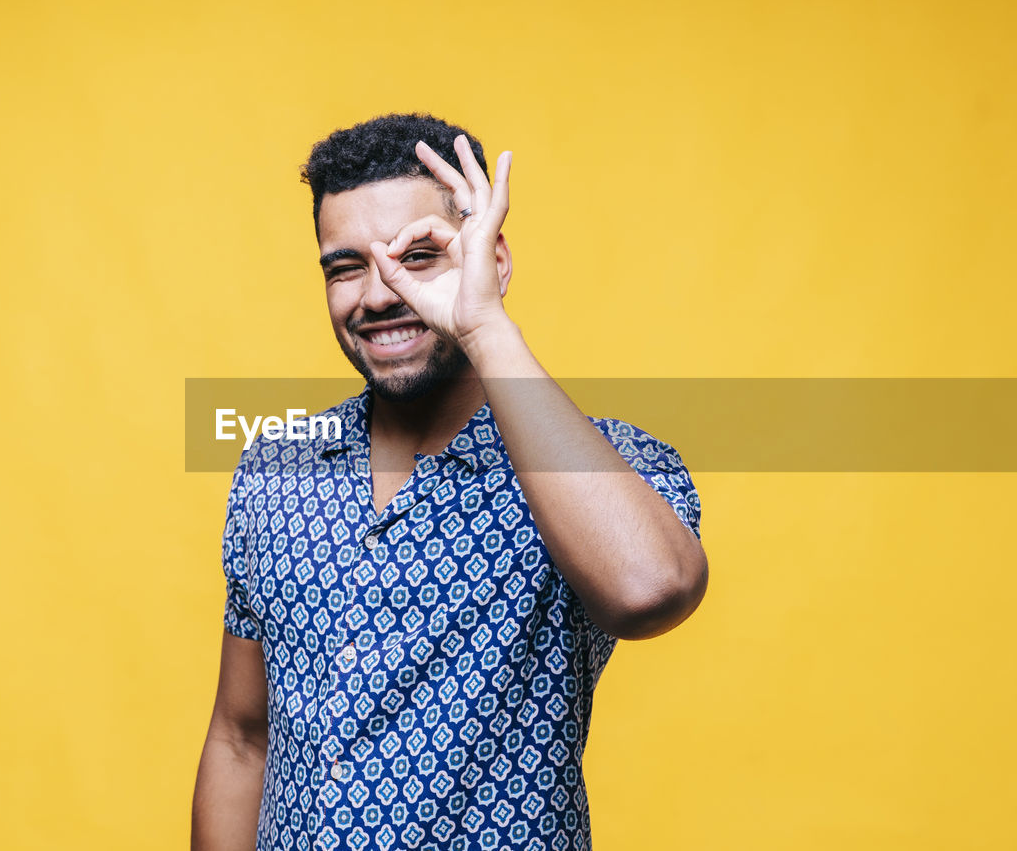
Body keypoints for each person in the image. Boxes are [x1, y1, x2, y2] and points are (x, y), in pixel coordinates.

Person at [192, 113, 708, 851]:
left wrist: (482, 323)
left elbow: (649, 588)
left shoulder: (605, 466)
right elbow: (242, 737)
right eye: (345, 266)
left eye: (419, 256)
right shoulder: (277, 469)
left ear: (492, 260)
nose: (378, 292)